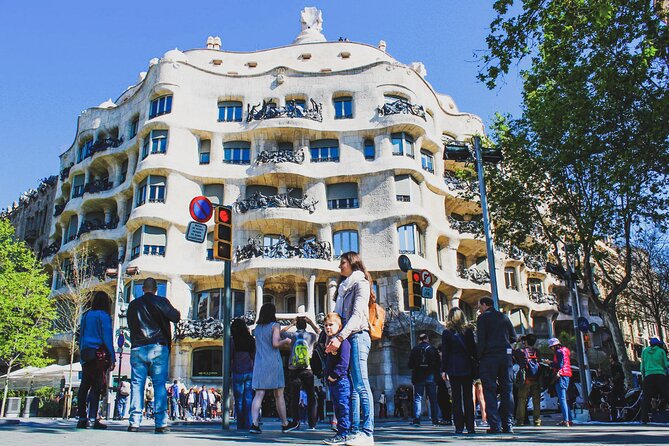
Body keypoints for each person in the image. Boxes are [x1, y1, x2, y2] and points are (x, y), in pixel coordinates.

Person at [326, 252, 375, 446]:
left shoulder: (360, 283)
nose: (340, 266)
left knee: (361, 384)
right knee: (354, 388)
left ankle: (367, 432)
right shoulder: (344, 288)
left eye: (343, 263)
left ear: (352, 263)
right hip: (346, 337)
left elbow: (356, 316)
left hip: (358, 336)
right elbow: (337, 317)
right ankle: (353, 432)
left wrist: (338, 337)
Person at [126, 277, 181, 433]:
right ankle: (160, 423)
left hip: (138, 347)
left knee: (137, 385)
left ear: (143, 288)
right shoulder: (161, 301)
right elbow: (175, 317)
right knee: (159, 385)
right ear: (156, 289)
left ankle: (134, 422)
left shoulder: (133, 305)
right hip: (158, 346)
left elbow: (130, 326)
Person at [249, 303, 297, 434]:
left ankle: (254, 424)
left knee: (259, 395)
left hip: (260, 364)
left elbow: (271, 335)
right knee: (279, 395)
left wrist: (290, 325)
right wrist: (286, 341)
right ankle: (285, 423)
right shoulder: (275, 325)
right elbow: (275, 343)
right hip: (273, 363)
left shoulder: (258, 328)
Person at [476, 296, 517, 434]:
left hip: (489, 357)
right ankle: (508, 424)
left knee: (490, 391)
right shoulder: (504, 317)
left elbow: (481, 340)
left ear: (484, 304)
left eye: (479, 305)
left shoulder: (482, 318)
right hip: (506, 357)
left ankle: (495, 424)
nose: (479, 309)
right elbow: (513, 337)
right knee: (507, 391)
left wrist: (479, 357)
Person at [76, 291, 115, 429]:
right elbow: (107, 338)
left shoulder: (86, 316)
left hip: (86, 353)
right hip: (99, 354)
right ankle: (92, 418)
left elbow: (81, 336)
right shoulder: (104, 316)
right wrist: (112, 356)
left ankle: (81, 417)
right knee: (96, 386)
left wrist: (81, 352)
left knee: (84, 385)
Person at [281, 315, 321, 430]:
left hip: (294, 368)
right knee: (311, 396)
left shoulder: (292, 335)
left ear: (296, 325)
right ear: (306, 325)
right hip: (307, 369)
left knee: (295, 396)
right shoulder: (312, 336)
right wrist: (312, 323)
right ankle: (312, 423)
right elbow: (320, 333)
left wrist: (291, 324)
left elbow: (281, 333)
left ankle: (296, 422)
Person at [441, 307, 477, 434]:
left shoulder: (446, 333)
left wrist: (443, 369)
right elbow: (473, 349)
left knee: (456, 398)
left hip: (453, 367)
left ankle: (459, 427)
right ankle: (471, 426)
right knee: (468, 397)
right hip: (467, 366)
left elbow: (445, 352)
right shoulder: (468, 331)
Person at [323, 312, 352, 446]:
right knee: (337, 407)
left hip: (341, 381)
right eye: (325, 325)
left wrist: (333, 375)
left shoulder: (343, 342)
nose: (328, 328)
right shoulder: (330, 341)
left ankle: (344, 433)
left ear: (339, 327)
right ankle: (341, 432)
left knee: (343, 406)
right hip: (334, 382)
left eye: (331, 325)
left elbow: (343, 362)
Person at [408, 333, 441, 426]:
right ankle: (435, 420)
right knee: (433, 399)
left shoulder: (415, 349)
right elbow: (438, 363)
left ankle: (417, 419)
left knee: (418, 398)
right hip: (430, 376)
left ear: (419, 340)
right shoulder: (432, 349)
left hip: (418, 377)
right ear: (427, 339)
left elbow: (410, 364)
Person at [231, 318, 255, 430]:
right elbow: (254, 356)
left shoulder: (232, 340)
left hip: (237, 371)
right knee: (248, 399)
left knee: (239, 400)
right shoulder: (250, 339)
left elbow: (230, 357)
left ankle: (240, 424)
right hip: (249, 371)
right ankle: (248, 423)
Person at [515, 334, 542, 426]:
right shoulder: (537, 351)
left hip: (525, 378)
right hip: (536, 378)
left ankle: (520, 420)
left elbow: (511, 352)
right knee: (536, 400)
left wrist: (517, 341)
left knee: (522, 399)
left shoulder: (521, 351)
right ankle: (537, 420)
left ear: (525, 341)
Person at [640, 337, 669, 423]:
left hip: (649, 376)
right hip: (660, 375)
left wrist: (644, 376)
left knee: (646, 397)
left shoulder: (644, 351)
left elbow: (642, 366)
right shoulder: (661, 351)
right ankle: (660, 408)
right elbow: (665, 364)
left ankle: (644, 417)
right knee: (666, 395)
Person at [548, 337, 572, 426]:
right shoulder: (565, 351)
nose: (551, 349)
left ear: (554, 346)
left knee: (562, 399)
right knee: (564, 399)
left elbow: (560, 365)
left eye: (551, 347)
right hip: (567, 374)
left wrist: (549, 363)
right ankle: (569, 419)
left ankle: (566, 420)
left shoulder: (558, 352)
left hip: (561, 375)